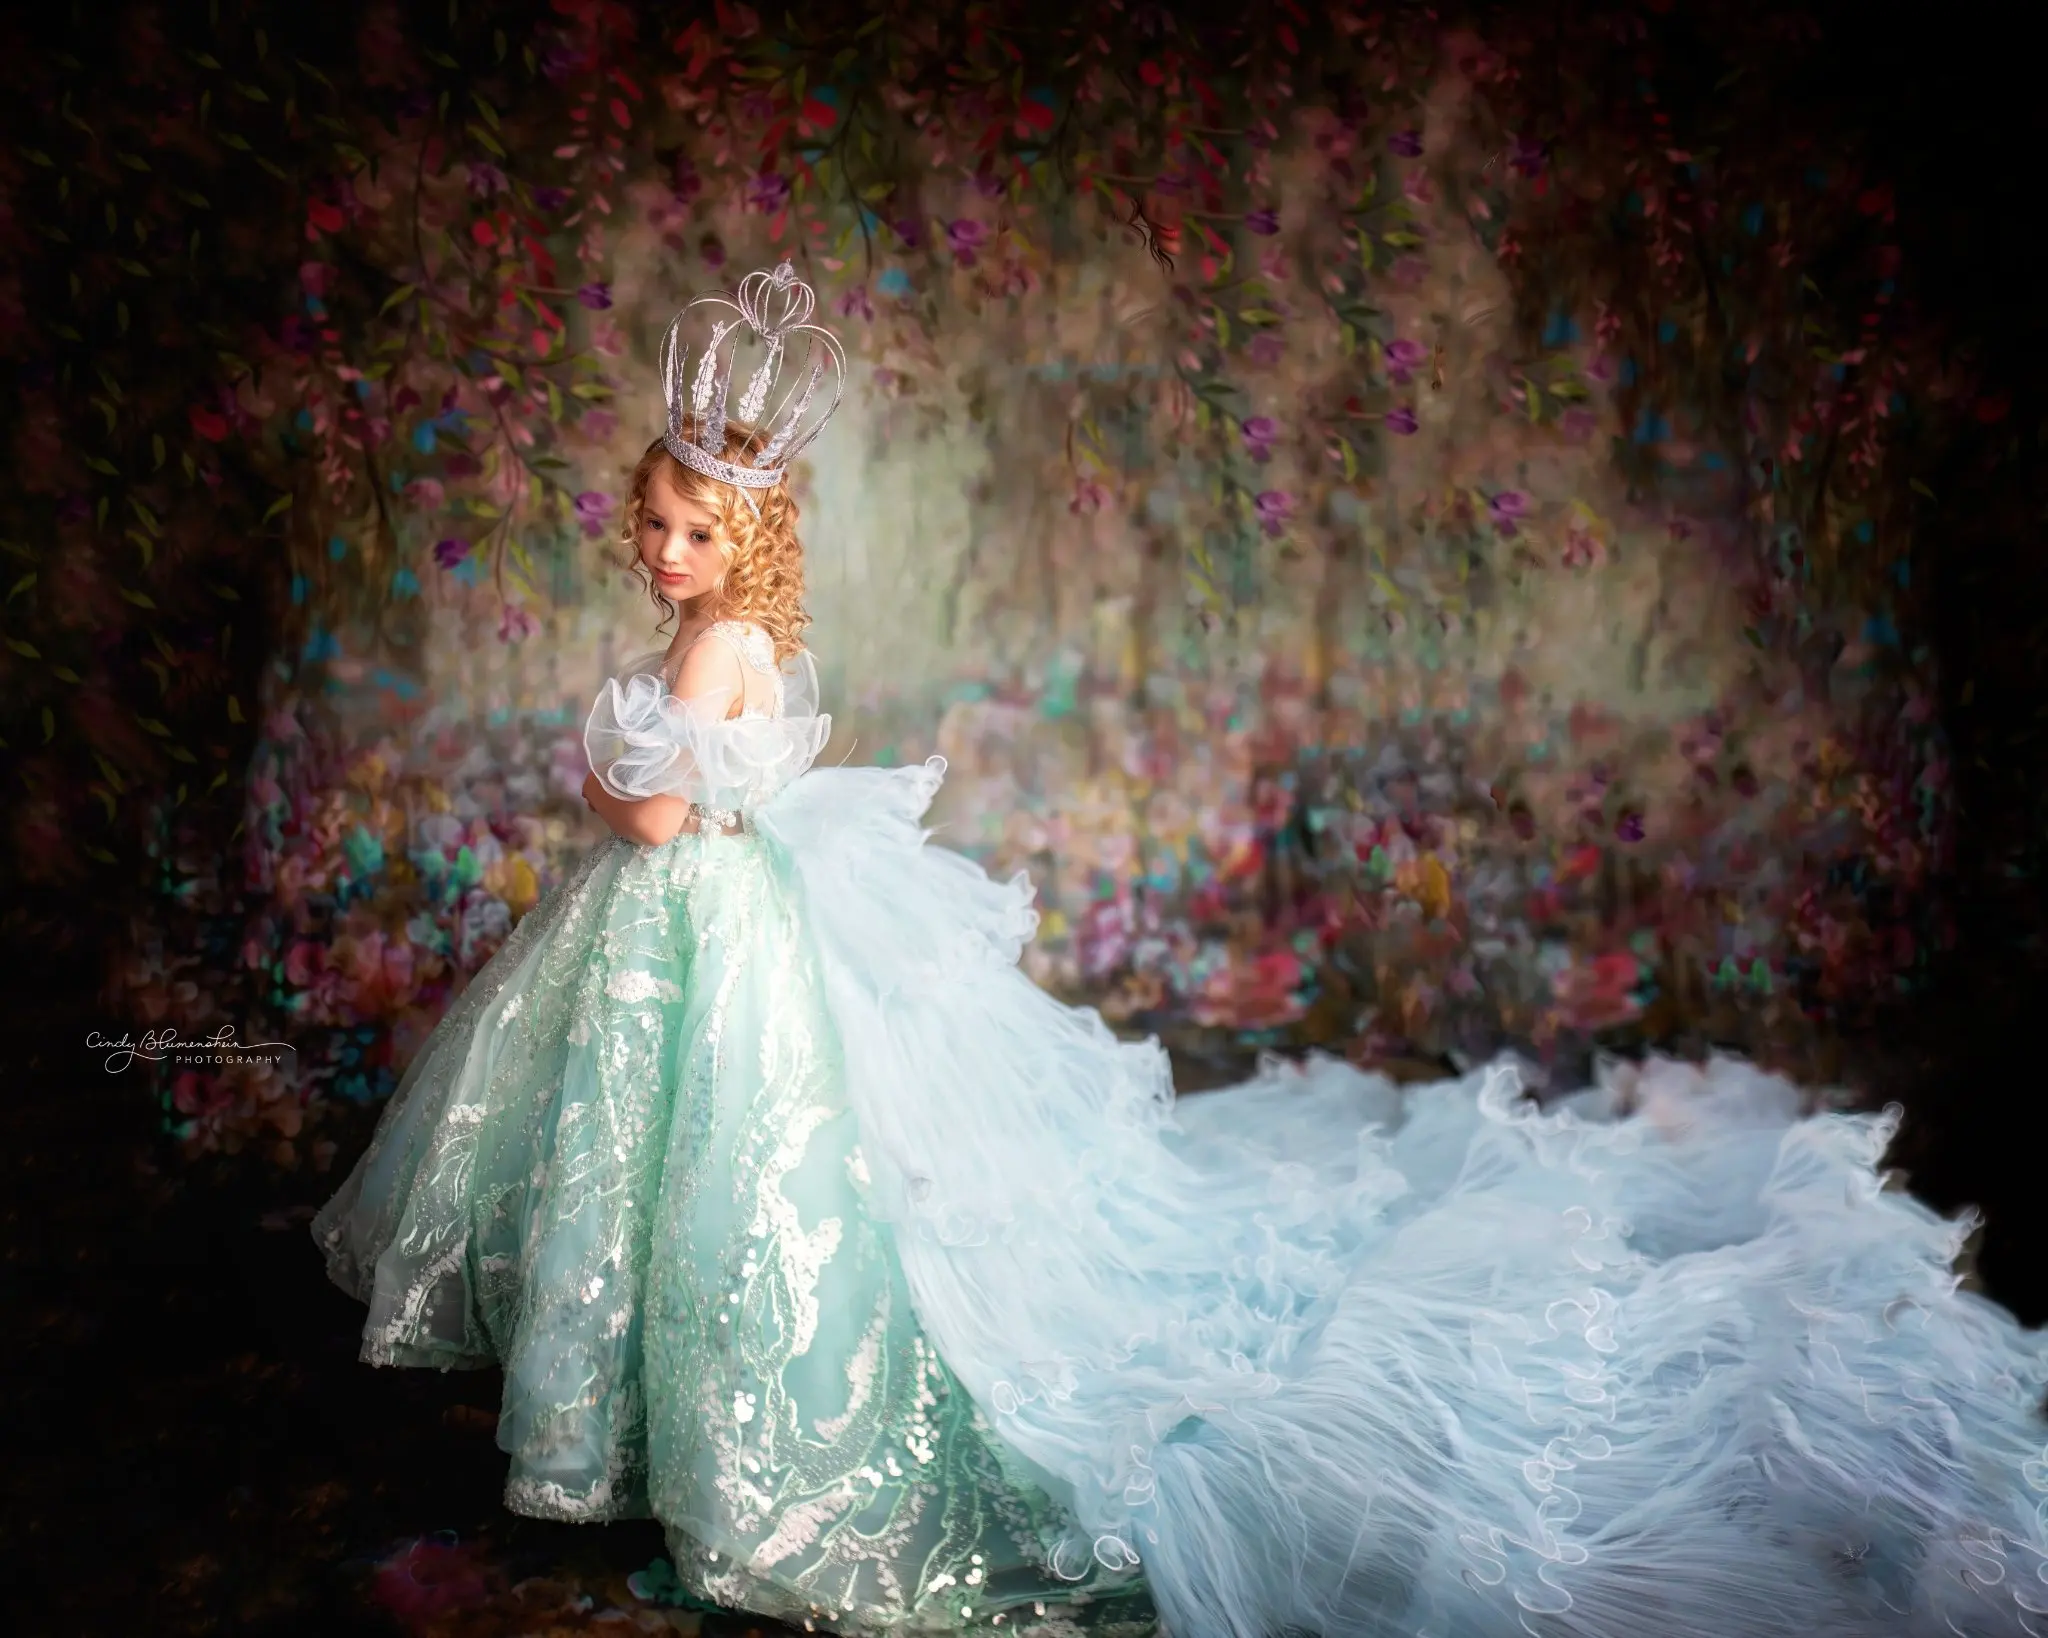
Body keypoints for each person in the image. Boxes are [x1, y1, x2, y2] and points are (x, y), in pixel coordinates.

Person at [316, 261, 2048, 1638]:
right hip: (721, 920)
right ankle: (650, 1412)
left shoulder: (702, 655)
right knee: (701, 1156)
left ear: (745, 537)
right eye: (655, 515)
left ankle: (669, 1427)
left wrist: (597, 759)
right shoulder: (740, 630)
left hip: (687, 914)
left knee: (698, 1155)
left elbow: (651, 816)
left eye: (694, 526)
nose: (662, 543)